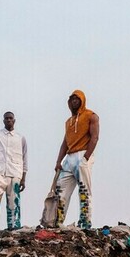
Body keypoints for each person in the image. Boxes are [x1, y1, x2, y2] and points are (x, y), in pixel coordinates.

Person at [52, 90, 100, 229]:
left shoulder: (91, 116)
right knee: (60, 190)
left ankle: (85, 223)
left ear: (82, 100)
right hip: (69, 157)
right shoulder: (69, 122)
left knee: (84, 190)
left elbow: (95, 137)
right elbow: (65, 143)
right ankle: (57, 222)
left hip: (83, 153)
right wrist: (58, 162)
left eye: (77, 99)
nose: (74, 101)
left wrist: (86, 157)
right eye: (72, 99)